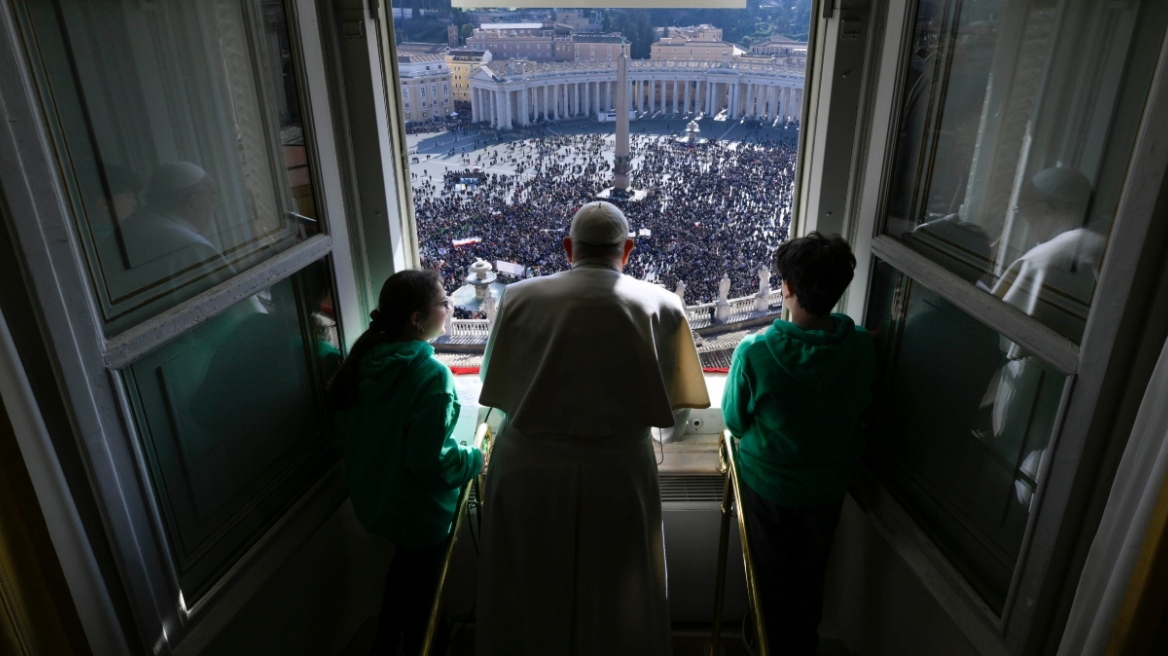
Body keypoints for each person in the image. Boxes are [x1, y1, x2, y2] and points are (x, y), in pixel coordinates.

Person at [475, 201, 710, 655]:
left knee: (527, 591)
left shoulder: (518, 297)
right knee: (618, 599)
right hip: (617, 473)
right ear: (629, 250)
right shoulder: (662, 303)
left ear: (568, 248)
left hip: (528, 469)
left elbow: (495, 384)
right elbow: (673, 422)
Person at [721, 232, 876, 655]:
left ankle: (764, 646)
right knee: (810, 577)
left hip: (767, 485)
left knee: (768, 579)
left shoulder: (754, 352)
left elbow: (734, 420)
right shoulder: (862, 347)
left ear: (786, 288)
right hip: (828, 487)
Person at [328, 269, 483, 656]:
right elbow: (429, 462)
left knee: (403, 580)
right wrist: (473, 460)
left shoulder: (363, 361)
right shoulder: (431, 376)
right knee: (426, 606)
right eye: (444, 301)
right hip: (419, 513)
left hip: (376, 500)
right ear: (417, 319)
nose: (450, 308)